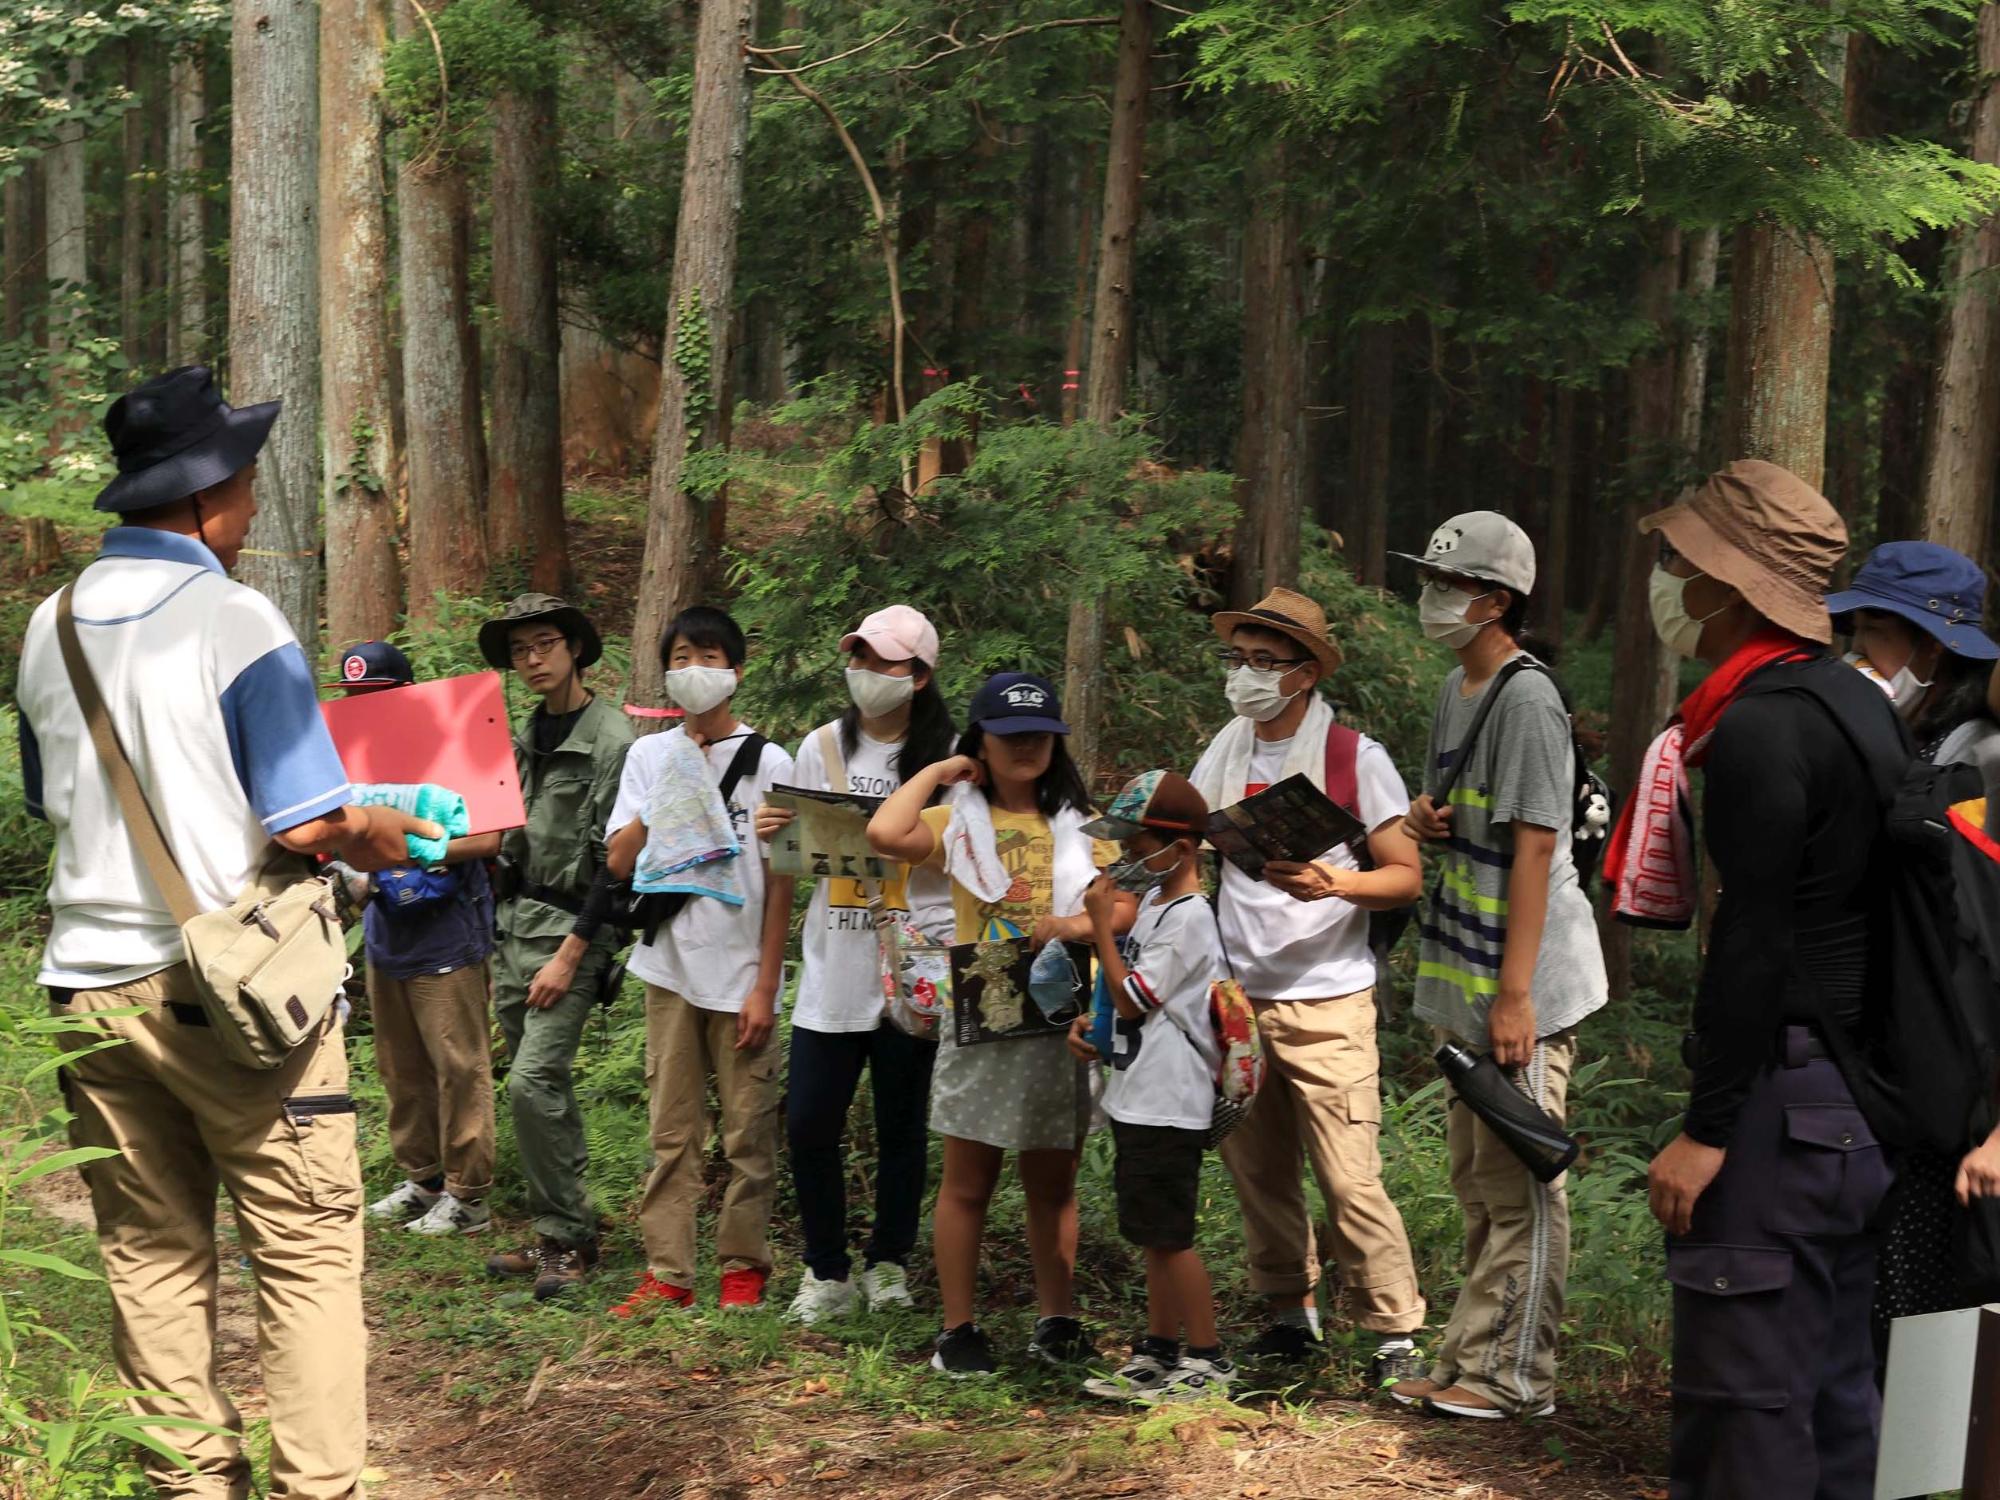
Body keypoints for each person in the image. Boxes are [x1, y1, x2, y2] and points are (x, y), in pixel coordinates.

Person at [14, 365, 438, 1500]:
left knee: (149, 1262)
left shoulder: (45, 629)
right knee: (304, 1256)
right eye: (248, 484)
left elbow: (47, 799)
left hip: (87, 996)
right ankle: (316, 1489)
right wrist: (387, 828)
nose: (252, 509)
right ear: (211, 495)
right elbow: (310, 824)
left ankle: (190, 1487)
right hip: (236, 997)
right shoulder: (233, 616)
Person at [1624, 461, 1897, 1499]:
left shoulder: (1756, 726)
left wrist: (1708, 1126)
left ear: (1727, 586)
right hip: (1856, 1109)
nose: (1665, 579)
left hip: (1781, 1113)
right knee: (1831, 1403)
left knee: (1742, 1416)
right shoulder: (1855, 705)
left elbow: (1753, 939)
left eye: (1676, 561)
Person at [1390, 513, 1608, 1420]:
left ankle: (1517, 1377)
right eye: (1431, 581)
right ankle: (1469, 1358)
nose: (1433, 600)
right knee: (1479, 1178)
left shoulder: (1526, 697)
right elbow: (1461, 805)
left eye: (1450, 587)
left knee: (1524, 1177)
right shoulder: (1459, 686)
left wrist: (1517, 998)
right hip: (1467, 965)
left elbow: (1533, 849)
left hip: (1524, 980)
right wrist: (1426, 817)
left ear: (1495, 601)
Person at [1186, 588, 1427, 1385]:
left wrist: (1334, 885)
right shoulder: (1221, 753)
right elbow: (1190, 858)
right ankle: (1291, 1317)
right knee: (1259, 1172)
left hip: (1329, 998)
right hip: (1240, 998)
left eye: (1266, 661)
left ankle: (1395, 1332)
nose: (1247, 676)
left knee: (1349, 1176)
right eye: (1239, 659)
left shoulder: (1355, 759)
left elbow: (1404, 877)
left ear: (1306, 673)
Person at [868, 672, 1131, 1377]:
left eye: (1040, 735)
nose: (1027, 748)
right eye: (1010, 735)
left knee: (1053, 1183)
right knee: (968, 1182)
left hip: (1061, 1019)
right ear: (981, 739)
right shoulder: (956, 821)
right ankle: (958, 1329)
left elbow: (1123, 902)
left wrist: (1072, 923)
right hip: (983, 1011)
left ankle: (1058, 1319)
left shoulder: (1079, 823)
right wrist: (941, 771)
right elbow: (885, 832)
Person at [755, 606, 954, 1325]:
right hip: (833, 965)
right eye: (859, 659)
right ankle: (825, 1269)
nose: (867, 673)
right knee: (809, 1122)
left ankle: (890, 1264)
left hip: (914, 969)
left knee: (903, 1127)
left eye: (884, 662)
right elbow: (791, 861)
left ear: (920, 676)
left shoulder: (948, 758)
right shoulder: (821, 747)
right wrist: (775, 831)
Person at [1826, 543, 2000, 1349]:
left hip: (1966, 1113)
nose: (1862, 656)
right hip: (1903, 1090)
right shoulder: (1926, 743)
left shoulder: (1980, 766)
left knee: (1938, 1344)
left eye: (1879, 636)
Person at [606, 607, 795, 1314]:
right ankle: (668, 1272)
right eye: (682, 657)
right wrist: (666, 801)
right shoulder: (649, 757)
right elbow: (619, 862)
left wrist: (766, 986)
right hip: (670, 969)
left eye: (710, 658)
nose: (695, 671)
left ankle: (743, 1267)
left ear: (736, 672)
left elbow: (783, 879)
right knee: (672, 1128)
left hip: (743, 972)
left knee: (749, 1130)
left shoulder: (773, 762)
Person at [478, 593, 634, 1301]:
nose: (532, 660)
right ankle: (562, 1231)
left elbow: (615, 864)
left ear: (574, 648)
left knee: (532, 1082)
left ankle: (567, 1239)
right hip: (514, 929)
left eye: (544, 644)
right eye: (519, 651)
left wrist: (574, 955)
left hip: (572, 934)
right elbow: (504, 838)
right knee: (540, 1089)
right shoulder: (519, 734)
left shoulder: (613, 741)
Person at [1067, 771, 1234, 1405]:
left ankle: (1207, 1356)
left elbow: (1136, 998)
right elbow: (1123, 1002)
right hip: (1139, 1091)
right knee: (1149, 1232)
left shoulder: (1189, 916)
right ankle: (1160, 1349)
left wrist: (1102, 928)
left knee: (1171, 1236)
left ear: (1182, 850)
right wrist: (1092, 1025)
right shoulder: (1160, 907)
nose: (1129, 860)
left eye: (1138, 848)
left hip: (1171, 1097)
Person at [333, 641, 502, 1238]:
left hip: (447, 939)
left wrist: (408, 847)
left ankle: (470, 1195)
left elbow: (487, 840)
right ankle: (424, 1178)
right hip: (386, 933)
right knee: (399, 1068)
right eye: (354, 700)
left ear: (406, 695)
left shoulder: (449, 749)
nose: (365, 710)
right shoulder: (349, 762)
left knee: (459, 1066)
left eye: (376, 698)